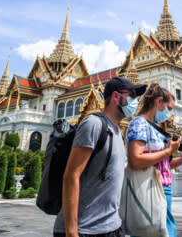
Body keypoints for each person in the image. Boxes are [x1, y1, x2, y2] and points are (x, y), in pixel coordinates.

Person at [54, 76, 146, 237]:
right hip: (85, 229)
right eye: (131, 96)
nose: (135, 101)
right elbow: (70, 176)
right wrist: (71, 231)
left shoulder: (118, 132)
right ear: (116, 96)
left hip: (111, 226)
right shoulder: (94, 124)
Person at [126, 83, 182, 237]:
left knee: (164, 229)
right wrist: (169, 150)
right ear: (159, 101)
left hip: (163, 187)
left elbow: (163, 165)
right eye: (169, 108)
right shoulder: (139, 124)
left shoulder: (155, 127)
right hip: (148, 187)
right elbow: (135, 160)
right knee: (152, 230)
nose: (170, 113)